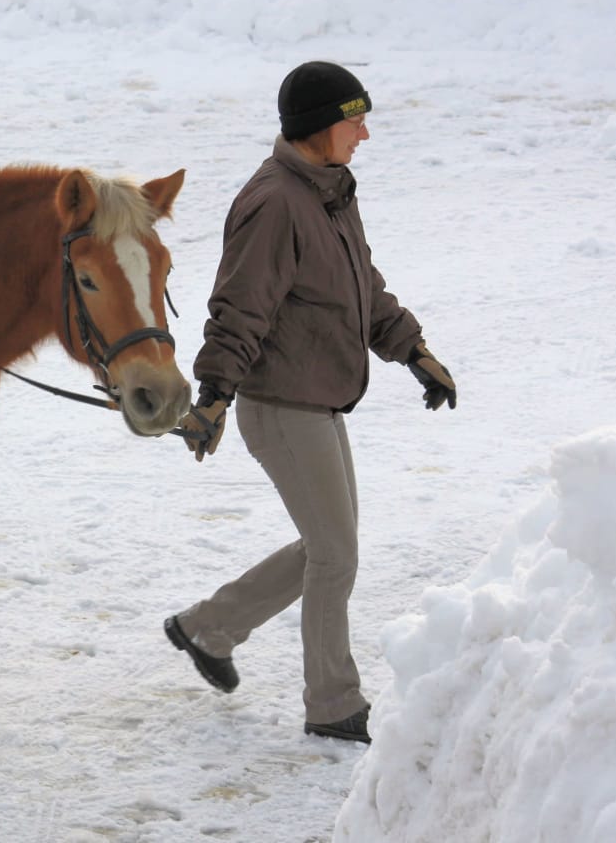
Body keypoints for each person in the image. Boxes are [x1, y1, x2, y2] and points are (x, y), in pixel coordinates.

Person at [164, 61, 457, 744]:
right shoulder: (273, 203)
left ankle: (208, 628)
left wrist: (413, 351)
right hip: (282, 405)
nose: (364, 134)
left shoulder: (329, 190)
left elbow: (361, 286)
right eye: (354, 121)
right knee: (334, 554)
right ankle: (332, 702)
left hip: (318, 398)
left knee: (327, 546)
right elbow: (239, 307)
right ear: (319, 127)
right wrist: (213, 397)